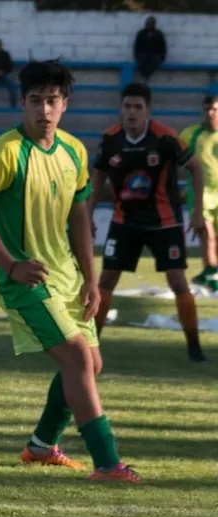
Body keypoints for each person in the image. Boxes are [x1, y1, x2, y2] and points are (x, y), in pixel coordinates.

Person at [0, 60, 140, 484]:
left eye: (52, 100)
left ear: (64, 105)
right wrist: (11, 264)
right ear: (22, 102)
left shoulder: (74, 151)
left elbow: (80, 217)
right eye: (36, 100)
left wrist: (91, 279)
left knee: (90, 363)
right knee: (77, 357)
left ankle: (41, 446)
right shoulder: (4, 151)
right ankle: (108, 463)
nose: (44, 109)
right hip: (23, 279)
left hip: (67, 276)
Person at [89, 83, 207, 362]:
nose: (131, 112)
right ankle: (92, 344)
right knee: (106, 280)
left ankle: (194, 347)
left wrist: (198, 212)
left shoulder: (165, 138)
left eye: (137, 107)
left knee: (178, 282)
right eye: (127, 106)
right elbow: (98, 176)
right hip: (124, 221)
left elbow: (196, 168)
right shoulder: (110, 139)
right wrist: (88, 213)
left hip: (164, 222)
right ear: (121, 109)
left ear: (147, 110)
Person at [181, 96, 218, 292]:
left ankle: (212, 272)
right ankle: (211, 271)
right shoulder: (190, 135)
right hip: (201, 193)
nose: (210, 113)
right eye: (207, 109)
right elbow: (174, 161)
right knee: (207, 233)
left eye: (214, 109)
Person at [134, 16, 166, 81]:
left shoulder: (158, 34)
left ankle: (147, 76)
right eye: (148, 24)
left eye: (151, 24)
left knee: (155, 63)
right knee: (142, 63)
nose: (149, 26)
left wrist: (163, 56)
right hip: (143, 54)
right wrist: (136, 55)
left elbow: (163, 46)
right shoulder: (141, 33)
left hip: (155, 54)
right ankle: (144, 76)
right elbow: (137, 45)